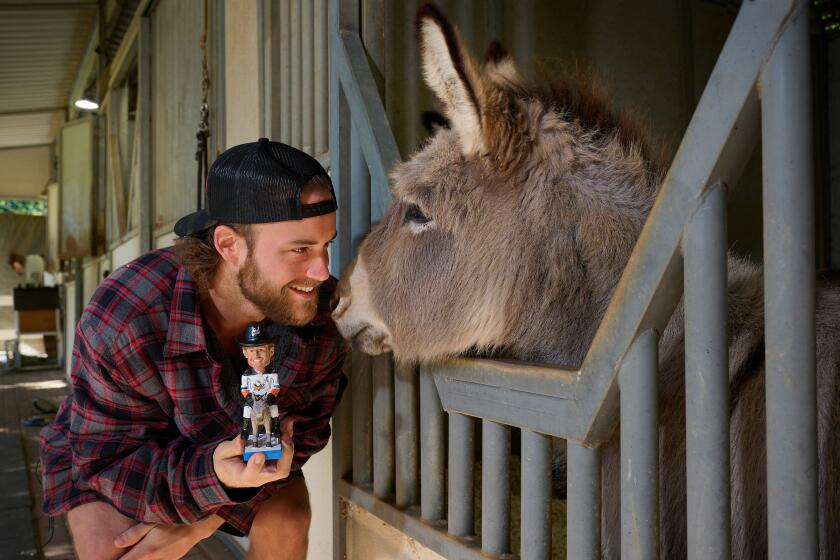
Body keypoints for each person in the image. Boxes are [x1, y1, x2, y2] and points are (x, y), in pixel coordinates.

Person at [39, 138, 347, 560]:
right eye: (300, 250)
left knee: (289, 521)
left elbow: (306, 431)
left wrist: (204, 520)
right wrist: (204, 489)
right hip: (127, 456)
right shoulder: (128, 315)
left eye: (326, 245)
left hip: (237, 462)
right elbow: (108, 462)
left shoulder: (318, 313)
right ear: (229, 246)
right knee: (118, 553)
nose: (322, 271)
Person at [238, 324, 282, 450]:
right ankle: (246, 429)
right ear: (245, 353)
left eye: (261, 350)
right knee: (246, 410)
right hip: (253, 401)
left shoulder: (272, 373)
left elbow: (276, 387)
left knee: (274, 409)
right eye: (252, 351)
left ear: (271, 351)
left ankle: (276, 427)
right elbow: (244, 389)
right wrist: (250, 400)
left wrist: (270, 397)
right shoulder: (246, 375)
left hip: (267, 400)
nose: (256, 355)